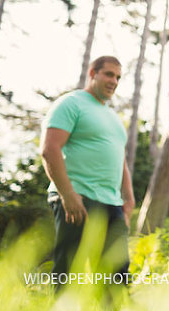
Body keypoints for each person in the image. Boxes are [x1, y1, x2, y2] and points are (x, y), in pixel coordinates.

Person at [40, 56, 135, 285]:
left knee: (117, 276)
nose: (114, 81)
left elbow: (119, 160)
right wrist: (67, 194)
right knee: (69, 273)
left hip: (112, 204)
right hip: (78, 200)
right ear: (93, 73)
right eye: (109, 74)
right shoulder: (71, 103)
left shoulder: (113, 118)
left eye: (118, 77)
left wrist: (129, 199)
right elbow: (50, 149)